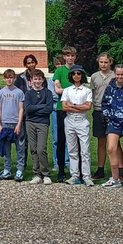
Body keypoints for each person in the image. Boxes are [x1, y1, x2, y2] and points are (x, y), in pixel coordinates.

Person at [62, 65, 94, 185]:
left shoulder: (87, 90)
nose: (76, 75)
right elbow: (65, 106)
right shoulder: (67, 90)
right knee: (72, 149)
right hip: (69, 120)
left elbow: (88, 107)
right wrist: (78, 107)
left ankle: (86, 176)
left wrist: (73, 106)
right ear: (71, 75)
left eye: (79, 73)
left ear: (82, 75)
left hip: (82, 121)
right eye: (74, 73)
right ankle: (74, 175)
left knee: (85, 150)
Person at [24, 69, 54, 184]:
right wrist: (41, 106)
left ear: (43, 80)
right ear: (31, 81)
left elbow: (49, 109)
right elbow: (28, 109)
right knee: (33, 149)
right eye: (35, 79)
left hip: (42, 123)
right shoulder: (28, 94)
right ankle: (36, 174)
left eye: (39, 79)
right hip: (30, 122)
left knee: (41, 149)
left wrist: (35, 107)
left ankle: (45, 173)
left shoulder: (47, 93)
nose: (37, 81)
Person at [50, 47, 77, 181]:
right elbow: (57, 89)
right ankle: (61, 170)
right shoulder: (59, 71)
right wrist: (72, 90)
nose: (70, 58)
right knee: (61, 140)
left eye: (72, 55)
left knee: (76, 141)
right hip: (62, 108)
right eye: (68, 55)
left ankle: (76, 171)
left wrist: (67, 91)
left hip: (76, 108)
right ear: (64, 57)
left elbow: (82, 88)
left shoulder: (78, 70)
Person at [0, 68, 24, 181]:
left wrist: (19, 124)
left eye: (11, 77)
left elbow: (21, 109)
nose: (9, 80)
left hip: (16, 124)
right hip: (5, 125)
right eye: (7, 78)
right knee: (6, 150)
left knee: (20, 149)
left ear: (14, 78)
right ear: (4, 79)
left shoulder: (19, 92)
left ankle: (20, 170)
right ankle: (7, 170)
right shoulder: (1, 93)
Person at [89, 53, 114, 179]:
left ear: (110, 63)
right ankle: (100, 168)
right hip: (98, 110)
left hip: (112, 111)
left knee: (114, 141)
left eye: (106, 62)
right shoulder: (94, 77)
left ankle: (117, 168)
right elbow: (92, 93)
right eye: (101, 62)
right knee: (101, 141)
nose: (103, 64)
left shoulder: (115, 76)